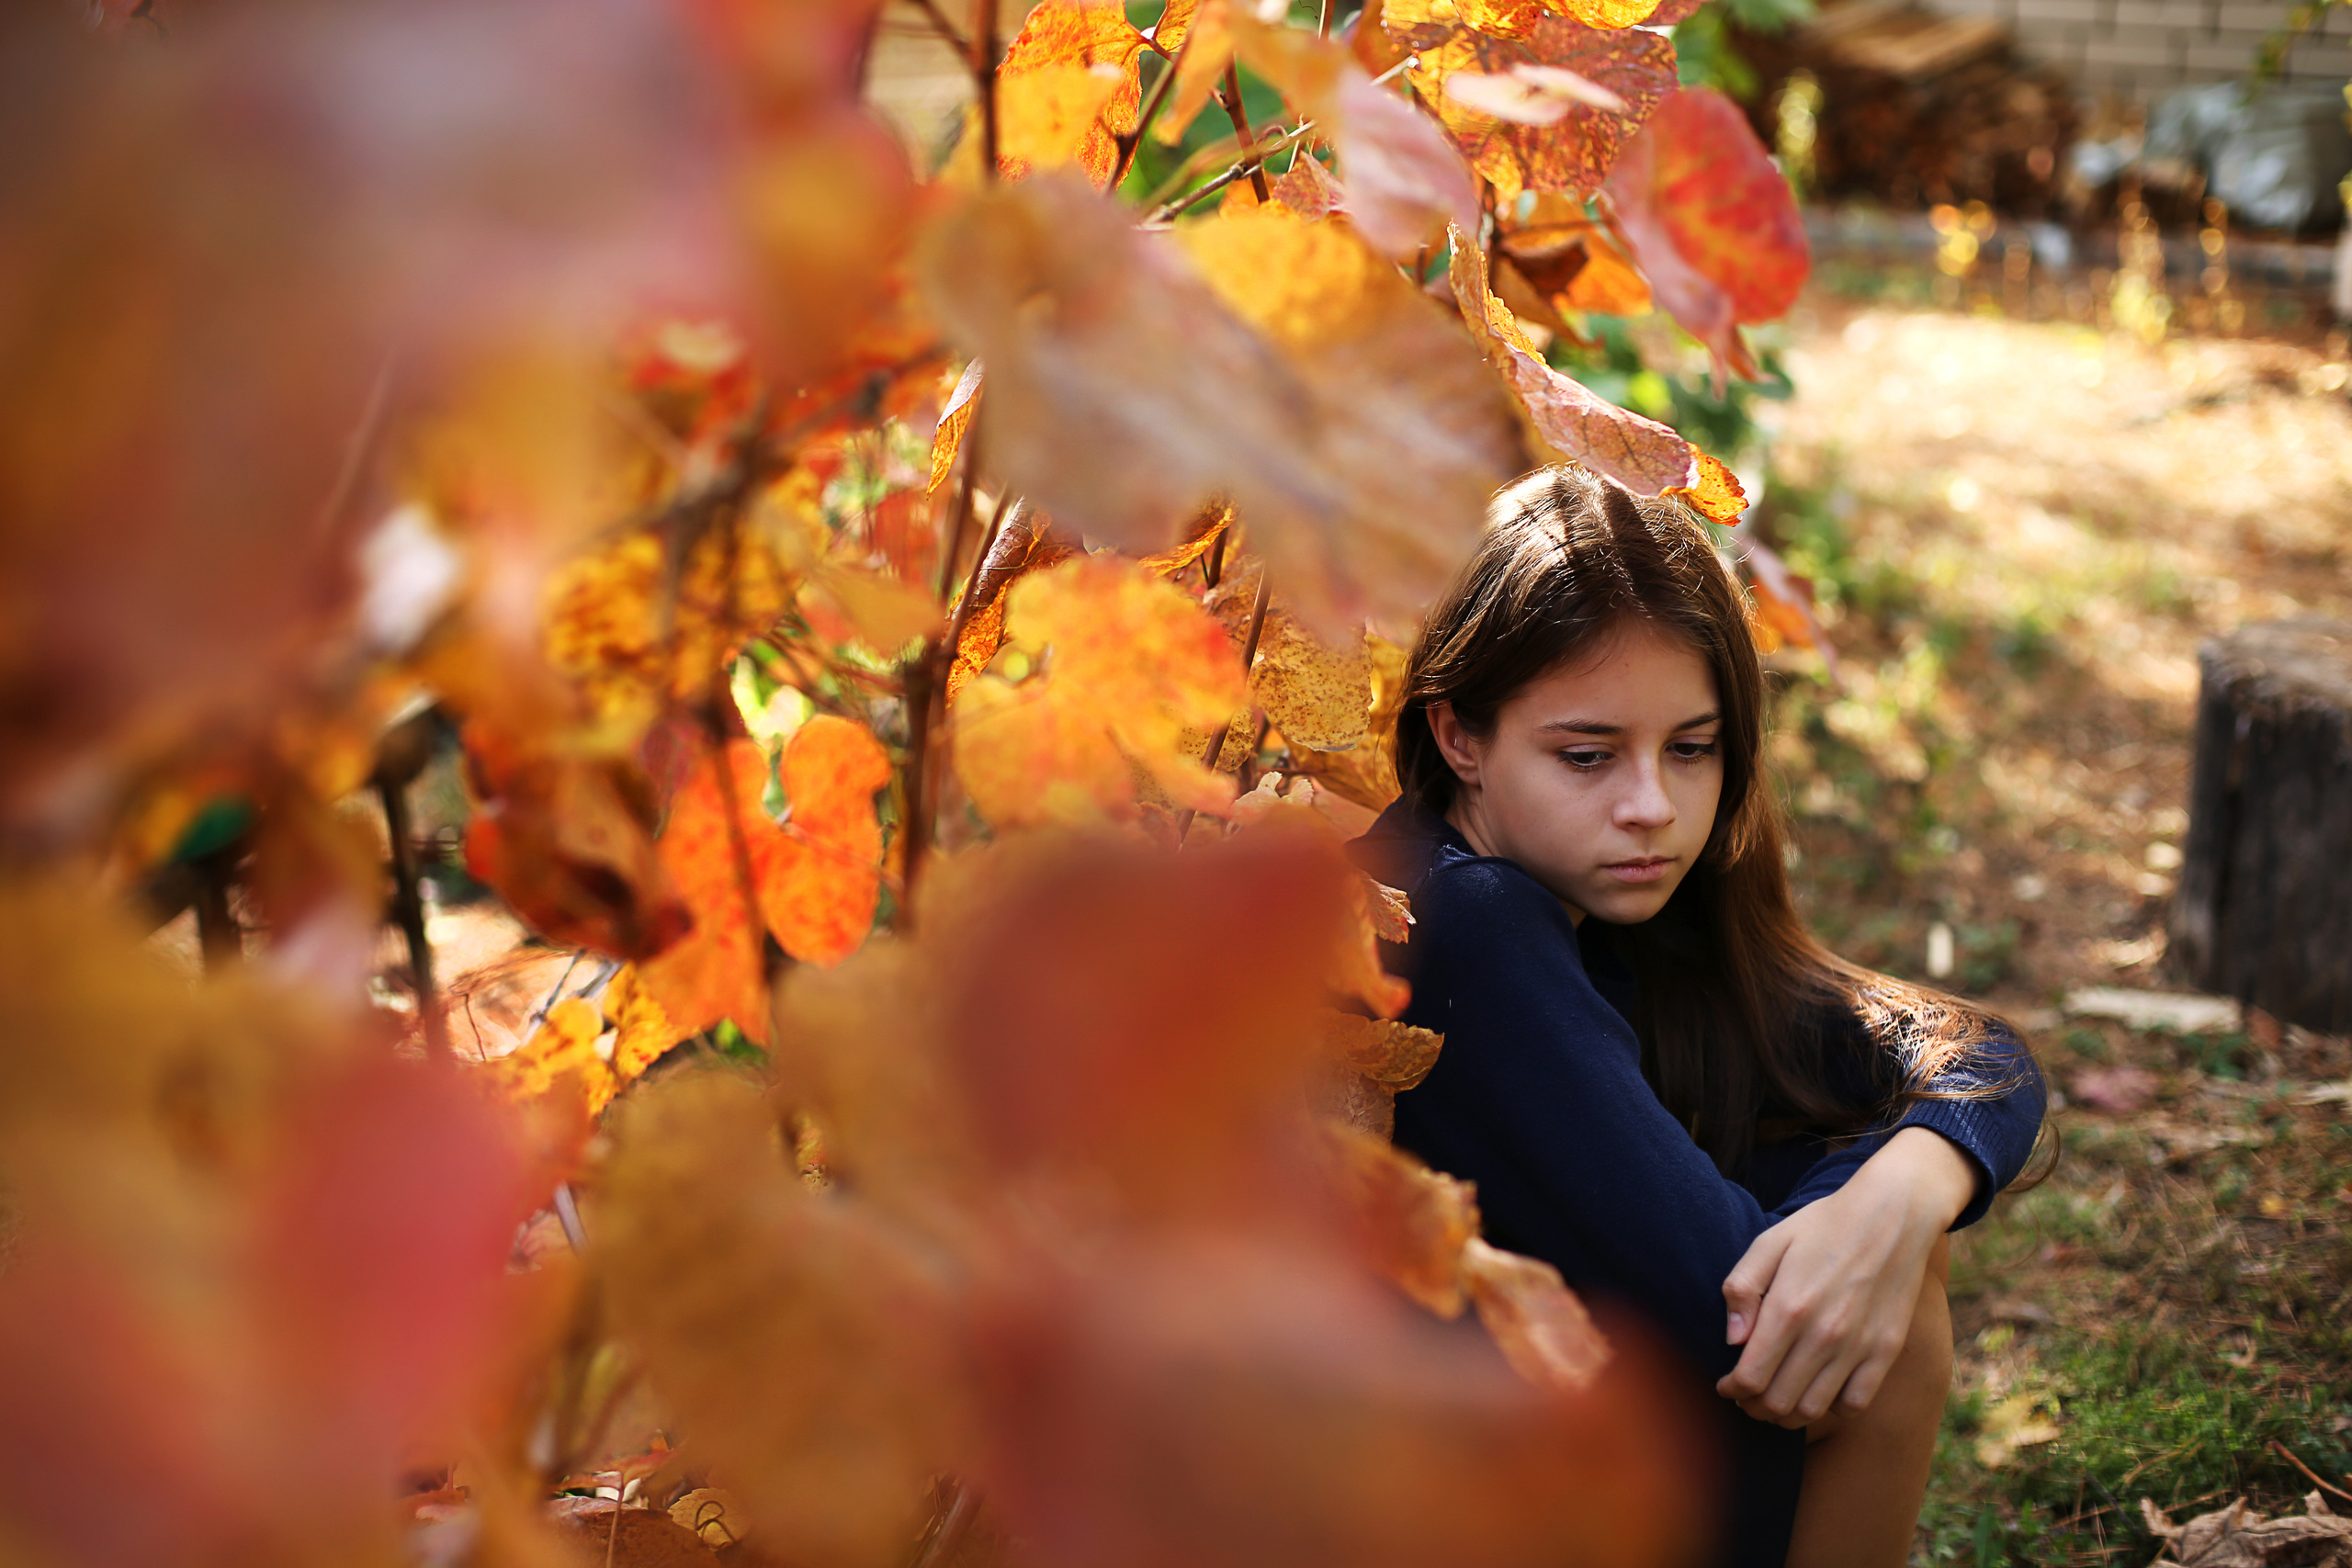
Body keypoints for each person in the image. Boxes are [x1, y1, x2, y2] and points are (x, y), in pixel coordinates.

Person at [1349, 466, 2049, 1568]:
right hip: (1396, 1496)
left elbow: (1977, 1056)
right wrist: (1869, 1217)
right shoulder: (1457, 918)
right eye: (1586, 755)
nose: (1652, 808)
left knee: (1882, 1237)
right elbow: (1734, 1323)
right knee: (1885, 1302)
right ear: (1458, 736)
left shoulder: (1615, 897)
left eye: (1691, 747)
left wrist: (1905, 1189)